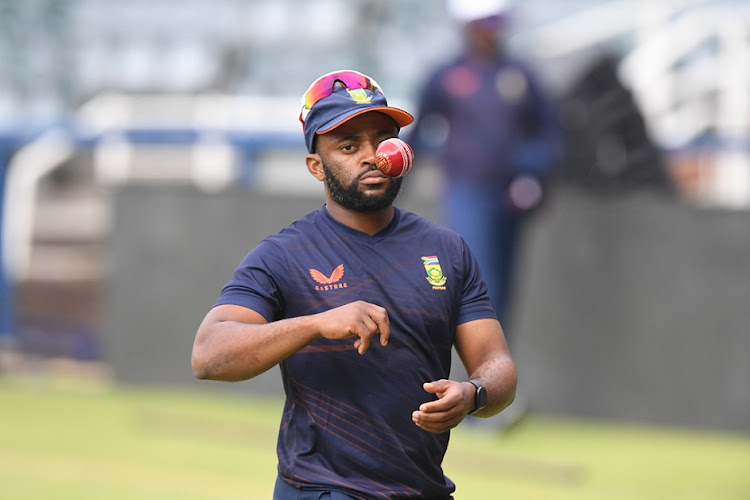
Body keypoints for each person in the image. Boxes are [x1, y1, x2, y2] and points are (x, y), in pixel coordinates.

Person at [192, 69, 517, 499]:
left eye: (381, 139)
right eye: (348, 146)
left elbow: (498, 366)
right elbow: (208, 355)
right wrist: (314, 324)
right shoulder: (283, 255)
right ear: (316, 166)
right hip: (322, 489)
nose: (372, 156)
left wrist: (472, 393)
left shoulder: (448, 251)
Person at [407, 0, 563, 334]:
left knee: (504, 282)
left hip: (512, 194)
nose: (491, 32)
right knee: (480, 276)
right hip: (466, 190)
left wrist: (531, 174)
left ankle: (497, 373)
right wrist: (392, 178)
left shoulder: (519, 75)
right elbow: (419, 134)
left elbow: (549, 137)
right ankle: (479, 372)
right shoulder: (446, 75)